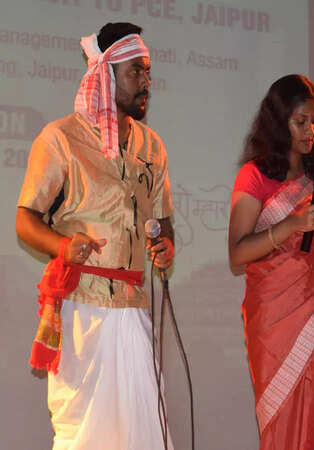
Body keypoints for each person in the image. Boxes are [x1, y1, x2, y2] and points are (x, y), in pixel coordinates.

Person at [15, 22, 175, 450]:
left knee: (144, 431)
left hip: (135, 309)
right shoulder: (60, 138)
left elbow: (163, 220)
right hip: (82, 312)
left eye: (148, 72)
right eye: (136, 72)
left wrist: (165, 245)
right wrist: (63, 246)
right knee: (85, 433)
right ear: (106, 75)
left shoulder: (152, 146)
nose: (146, 82)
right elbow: (25, 219)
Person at [228, 74, 314, 449]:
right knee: (283, 421)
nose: (310, 129)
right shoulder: (254, 176)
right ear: (278, 122)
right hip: (273, 321)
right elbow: (237, 252)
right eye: (300, 121)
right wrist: (290, 224)